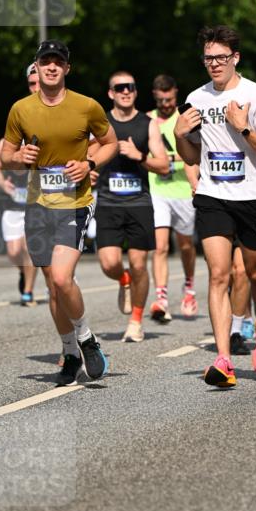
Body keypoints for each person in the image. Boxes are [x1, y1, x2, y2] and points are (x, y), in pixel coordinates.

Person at [1, 40, 118, 384]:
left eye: (58, 62)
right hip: (37, 205)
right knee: (54, 286)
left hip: (75, 202)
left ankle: (86, 338)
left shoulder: (87, 106)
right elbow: (6, 154)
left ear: (67, 68)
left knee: (64, 277)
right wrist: (17, 158)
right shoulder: (20, 109)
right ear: (36, 68)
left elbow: (110, 142)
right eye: (44, 62)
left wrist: (90, 162)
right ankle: (70, 353)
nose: (51, 67)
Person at [174, 25, 256, 388]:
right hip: (212, 195)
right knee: (219, 274)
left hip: (252, 196)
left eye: (221, 58)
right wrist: (179, 136)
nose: (214, 64)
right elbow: (191, 153)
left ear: (236, 58)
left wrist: (244, 128)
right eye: (209, 58)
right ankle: (223, 359)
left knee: (254, 274)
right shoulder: (196, 97)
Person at [91, 71, 169, 343]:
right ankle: (123, 280)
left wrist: (140, 156)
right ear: (111, 93)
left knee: (139, 264)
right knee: (109, 263)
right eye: (119, 88)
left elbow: (164, 165)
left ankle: (136, 321)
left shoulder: (147, 124)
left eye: (131, 87)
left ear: (136, 92)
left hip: (139, 203)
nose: (126, 91)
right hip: (109, 203)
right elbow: (89, 156)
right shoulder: (101, 124)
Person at [148, 75, 199, 322]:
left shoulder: (185, 119)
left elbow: (197, 153)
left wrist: (190, 177)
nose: (166, 104)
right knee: (160, 246)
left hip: (183, 191)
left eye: (169, 99)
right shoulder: (147, 120)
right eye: (161, 100)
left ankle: (189, 288)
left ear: (176, 94)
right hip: (157, 191)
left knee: (186, 246)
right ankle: (161, 299)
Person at [0, 63, 40, 305]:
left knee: (30, 248)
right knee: (14, 252)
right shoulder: (17, 116)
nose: (36, 87)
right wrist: (4, 185)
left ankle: (28, 292)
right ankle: (23, 272)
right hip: (12, 204)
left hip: (38, 202)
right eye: (32, 83)